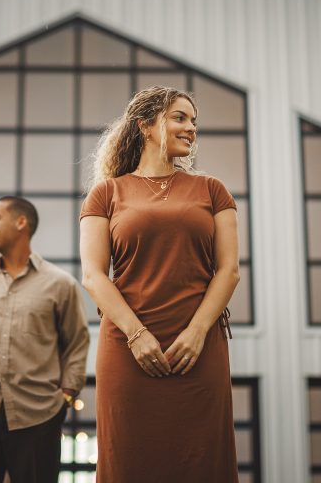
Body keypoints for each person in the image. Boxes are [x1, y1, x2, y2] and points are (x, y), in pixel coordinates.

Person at [79, 86, 241, 482]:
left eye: (194, 121)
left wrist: (198, 332)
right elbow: (94, 276)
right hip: (127, 347)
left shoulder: (212, 190)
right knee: (129, 459)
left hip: (198, 347)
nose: (191, 128)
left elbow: (229, 270)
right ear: (146, 126)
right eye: (180, 118)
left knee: (202, 457)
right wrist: (136, 335)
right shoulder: (106, 194)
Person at [0, 196, 90, 483]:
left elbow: (76, 344)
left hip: (38, 418)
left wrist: (66, 395)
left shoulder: (60, 285)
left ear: (21, 222)